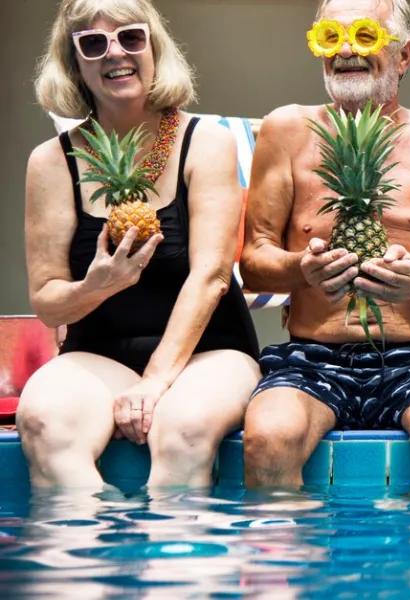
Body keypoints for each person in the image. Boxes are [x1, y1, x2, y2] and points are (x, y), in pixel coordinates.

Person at [239, 0, 410, 490]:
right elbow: (253, 263)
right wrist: (300, 270)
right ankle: (302, 566)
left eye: (366, 37)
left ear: (404, 55)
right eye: (331, 37)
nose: (347, 49)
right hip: (311, 356)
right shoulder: (286, 129)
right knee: (267, 437)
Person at [19, 0, 261, 491]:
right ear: (74, 62)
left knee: (183, 430)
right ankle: (87, 559)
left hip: (208, 353)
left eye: (130, 37)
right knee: (44, 422)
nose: (115, 54)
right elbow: (47, 301)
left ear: (153, 47)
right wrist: (95, 286)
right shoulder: (52, 162)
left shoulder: (206, 143)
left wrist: (154, 381)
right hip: (97, 354)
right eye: (93, 43)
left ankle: (177, 564)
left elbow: (211, 276)